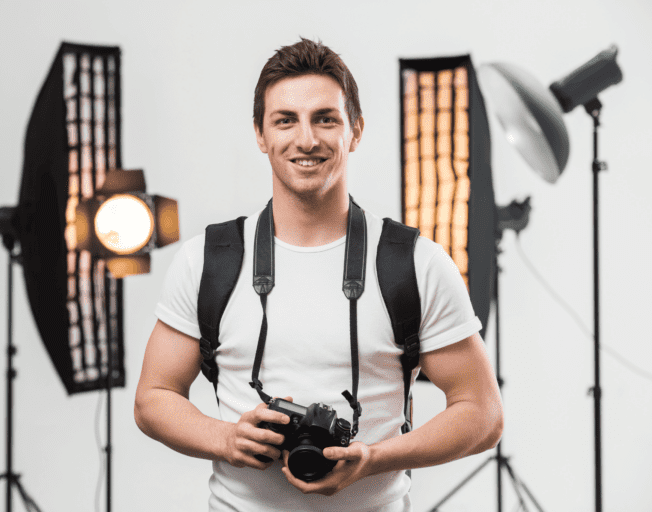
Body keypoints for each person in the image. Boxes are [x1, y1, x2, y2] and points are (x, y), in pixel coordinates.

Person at [134, 38, 503, 511]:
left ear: (356, 131)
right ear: (260, 134)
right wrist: (226, 439)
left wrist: (373, 458)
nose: (306, 139)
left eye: (326, 118)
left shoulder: (415, 263)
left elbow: (483, 413)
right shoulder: (208, 259)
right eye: (285, 120)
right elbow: (153, 397)